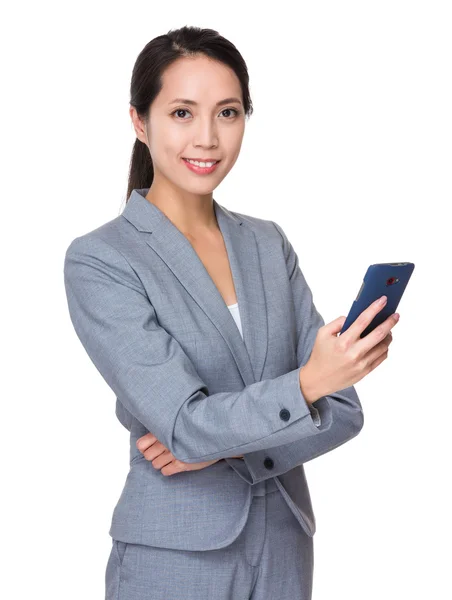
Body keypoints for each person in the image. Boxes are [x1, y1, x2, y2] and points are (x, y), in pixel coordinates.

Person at [63, 25, 397, 600]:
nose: (209, 138)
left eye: (228, 112)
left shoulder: (268, 244)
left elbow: (342, 411)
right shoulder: (102, 259)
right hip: (174, 555)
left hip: (284, 549)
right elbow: (188, 425)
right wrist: (308, 384)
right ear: (140, 123)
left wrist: (216, 446)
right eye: (182, 113)